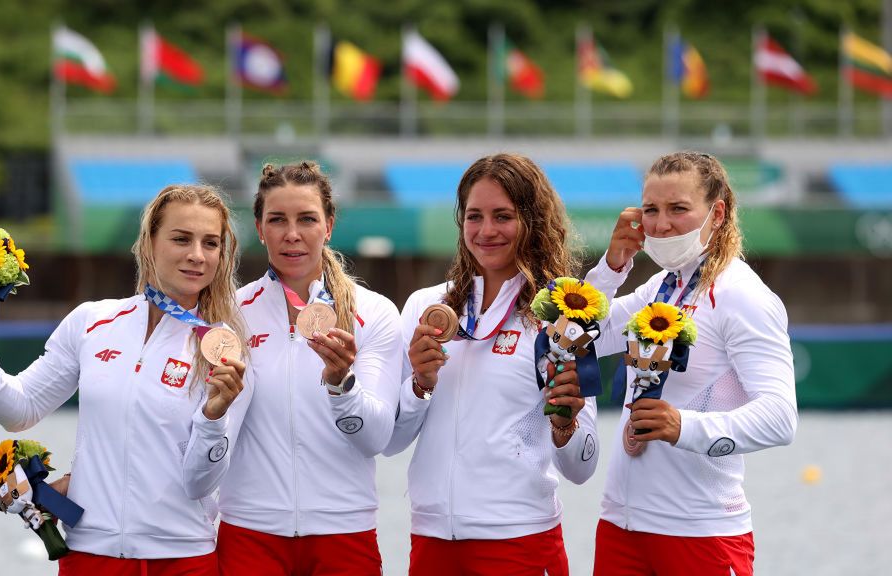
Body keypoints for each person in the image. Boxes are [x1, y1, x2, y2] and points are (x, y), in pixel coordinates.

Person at [0, 184, 248, 575]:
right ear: (149, 243)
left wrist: (215, 416)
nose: (197, 255)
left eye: (210, 244)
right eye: (181, 239)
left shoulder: (225, 346)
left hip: (183, 558)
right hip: (90, 554)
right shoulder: (93, 322)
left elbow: (200, 483)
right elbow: (19, 410)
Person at [384, 153, 599, 575]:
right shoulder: (426, 308)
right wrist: (419, 385)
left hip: (520, 541)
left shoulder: (560, 318)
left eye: (503, 216)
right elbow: (390, 442)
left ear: (533, 221)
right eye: (474, 216)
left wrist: (565, 425)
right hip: (431, 541)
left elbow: (582, 468)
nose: (486, 231)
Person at [183, 161, 401, 575]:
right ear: (260, 228)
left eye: (307, 219)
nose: (292, 234)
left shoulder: (373, 312)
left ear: (329, 226)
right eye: (277, 220)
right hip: (250, 534)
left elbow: (377, 437)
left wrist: (342, 387)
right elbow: (203, 448)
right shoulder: (227, 316)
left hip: (344, 532)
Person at [586, 151, 798, 576]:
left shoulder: (742, 295)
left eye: (678, 209)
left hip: (701, 533)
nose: (661, 225)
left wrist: (684, 427)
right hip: (621, 525)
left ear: (716, 213)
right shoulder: (658, 287)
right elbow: (585, 336)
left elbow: (781, 418)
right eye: (651, 210)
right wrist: (611, 267)